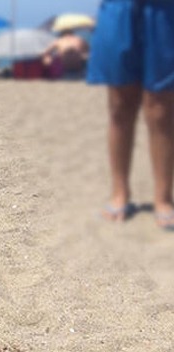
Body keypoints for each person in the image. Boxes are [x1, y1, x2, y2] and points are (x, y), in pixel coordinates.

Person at [87, 0, 174, 230]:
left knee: (161, 110)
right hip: (118, 8)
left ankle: (163, 198)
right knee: (119, 106)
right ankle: (119, 192)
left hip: (165, 10)